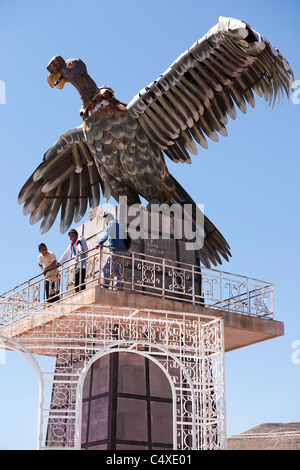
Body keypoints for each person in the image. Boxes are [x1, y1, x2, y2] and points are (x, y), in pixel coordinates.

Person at [95, 213, 127, 289]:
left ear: (109, 218)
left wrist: (99, 243)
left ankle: (106, 284)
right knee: (117, 269)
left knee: (106, 267)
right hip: (121, 251)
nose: (105, 222)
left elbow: (106, 234)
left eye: (105, 220)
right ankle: (118, 286)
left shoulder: (112, 223)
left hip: (115, 251)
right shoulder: (120, 226)